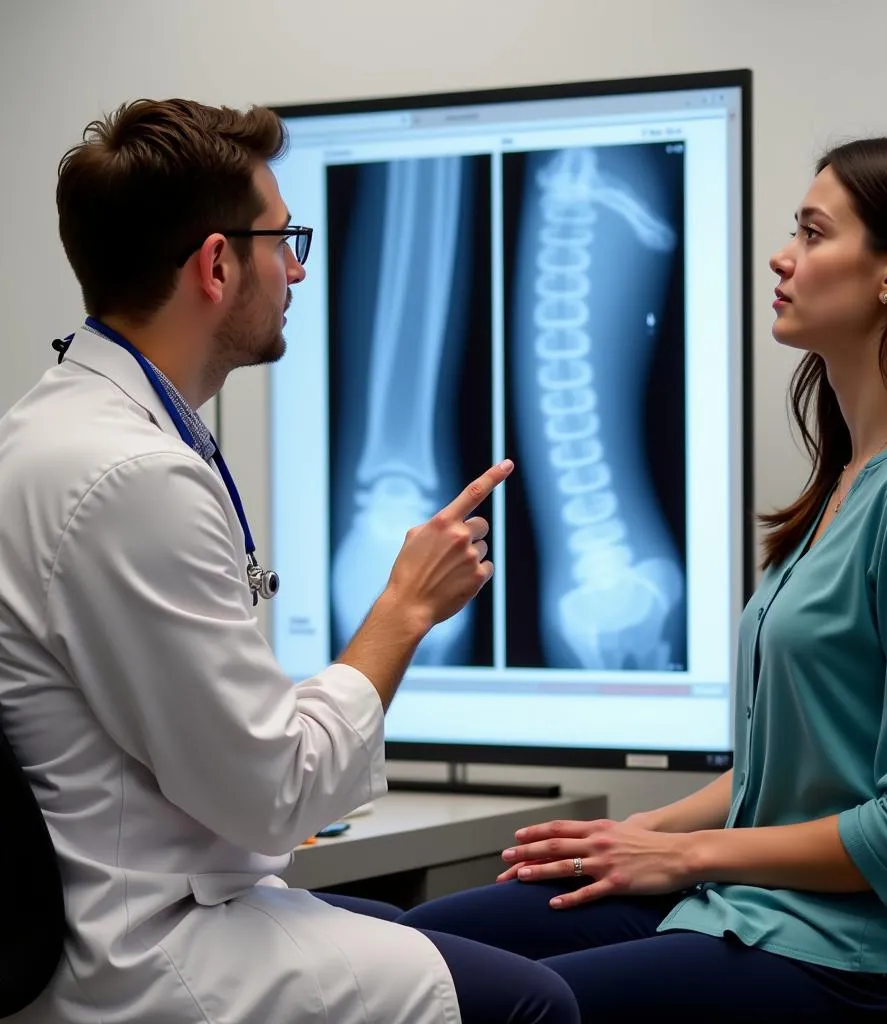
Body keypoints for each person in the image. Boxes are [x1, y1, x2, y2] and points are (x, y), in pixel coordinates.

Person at [397, 135, 887, 1022]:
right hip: (760, 911)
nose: (783, 254)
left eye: (812, 233)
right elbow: (791, 771)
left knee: (494, 1008)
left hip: (878, 965)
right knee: (413, 949)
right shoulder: (851, 480)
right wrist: (635, 836)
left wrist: (688, 858)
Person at [0, 99, 581, 1024]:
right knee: (534, 1004)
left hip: (129, 899)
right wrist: (405, 611)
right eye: (284, 238)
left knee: (426, 929)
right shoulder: (135, 477)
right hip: (147, 949)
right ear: (218, 264)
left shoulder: (55, 426)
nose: (299, 265)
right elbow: (272, 800)